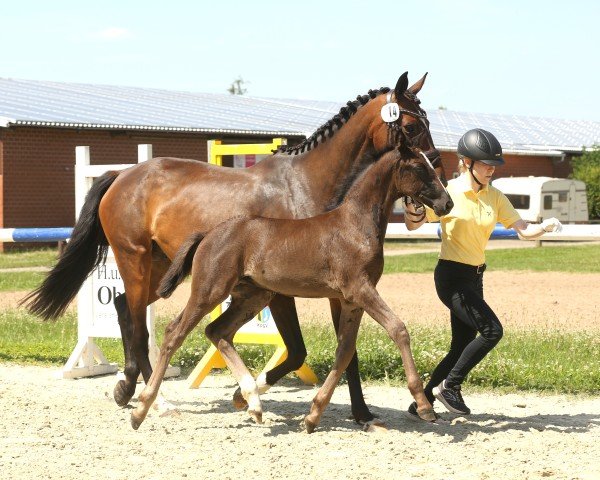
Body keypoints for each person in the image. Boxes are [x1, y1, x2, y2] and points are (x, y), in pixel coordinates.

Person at [407, 128, 563, 417]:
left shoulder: (495, 197)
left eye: (494, 164)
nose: (491, 169)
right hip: (451, 276)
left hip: (475, 277)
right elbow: (416, 223)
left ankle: (422, 402)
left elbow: (524, 231)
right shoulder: (449, 192)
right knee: (492, 331)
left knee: (461, 345)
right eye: (485, 164)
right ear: (467, 162)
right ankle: (450, 387)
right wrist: (411, 211)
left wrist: (546, 226)